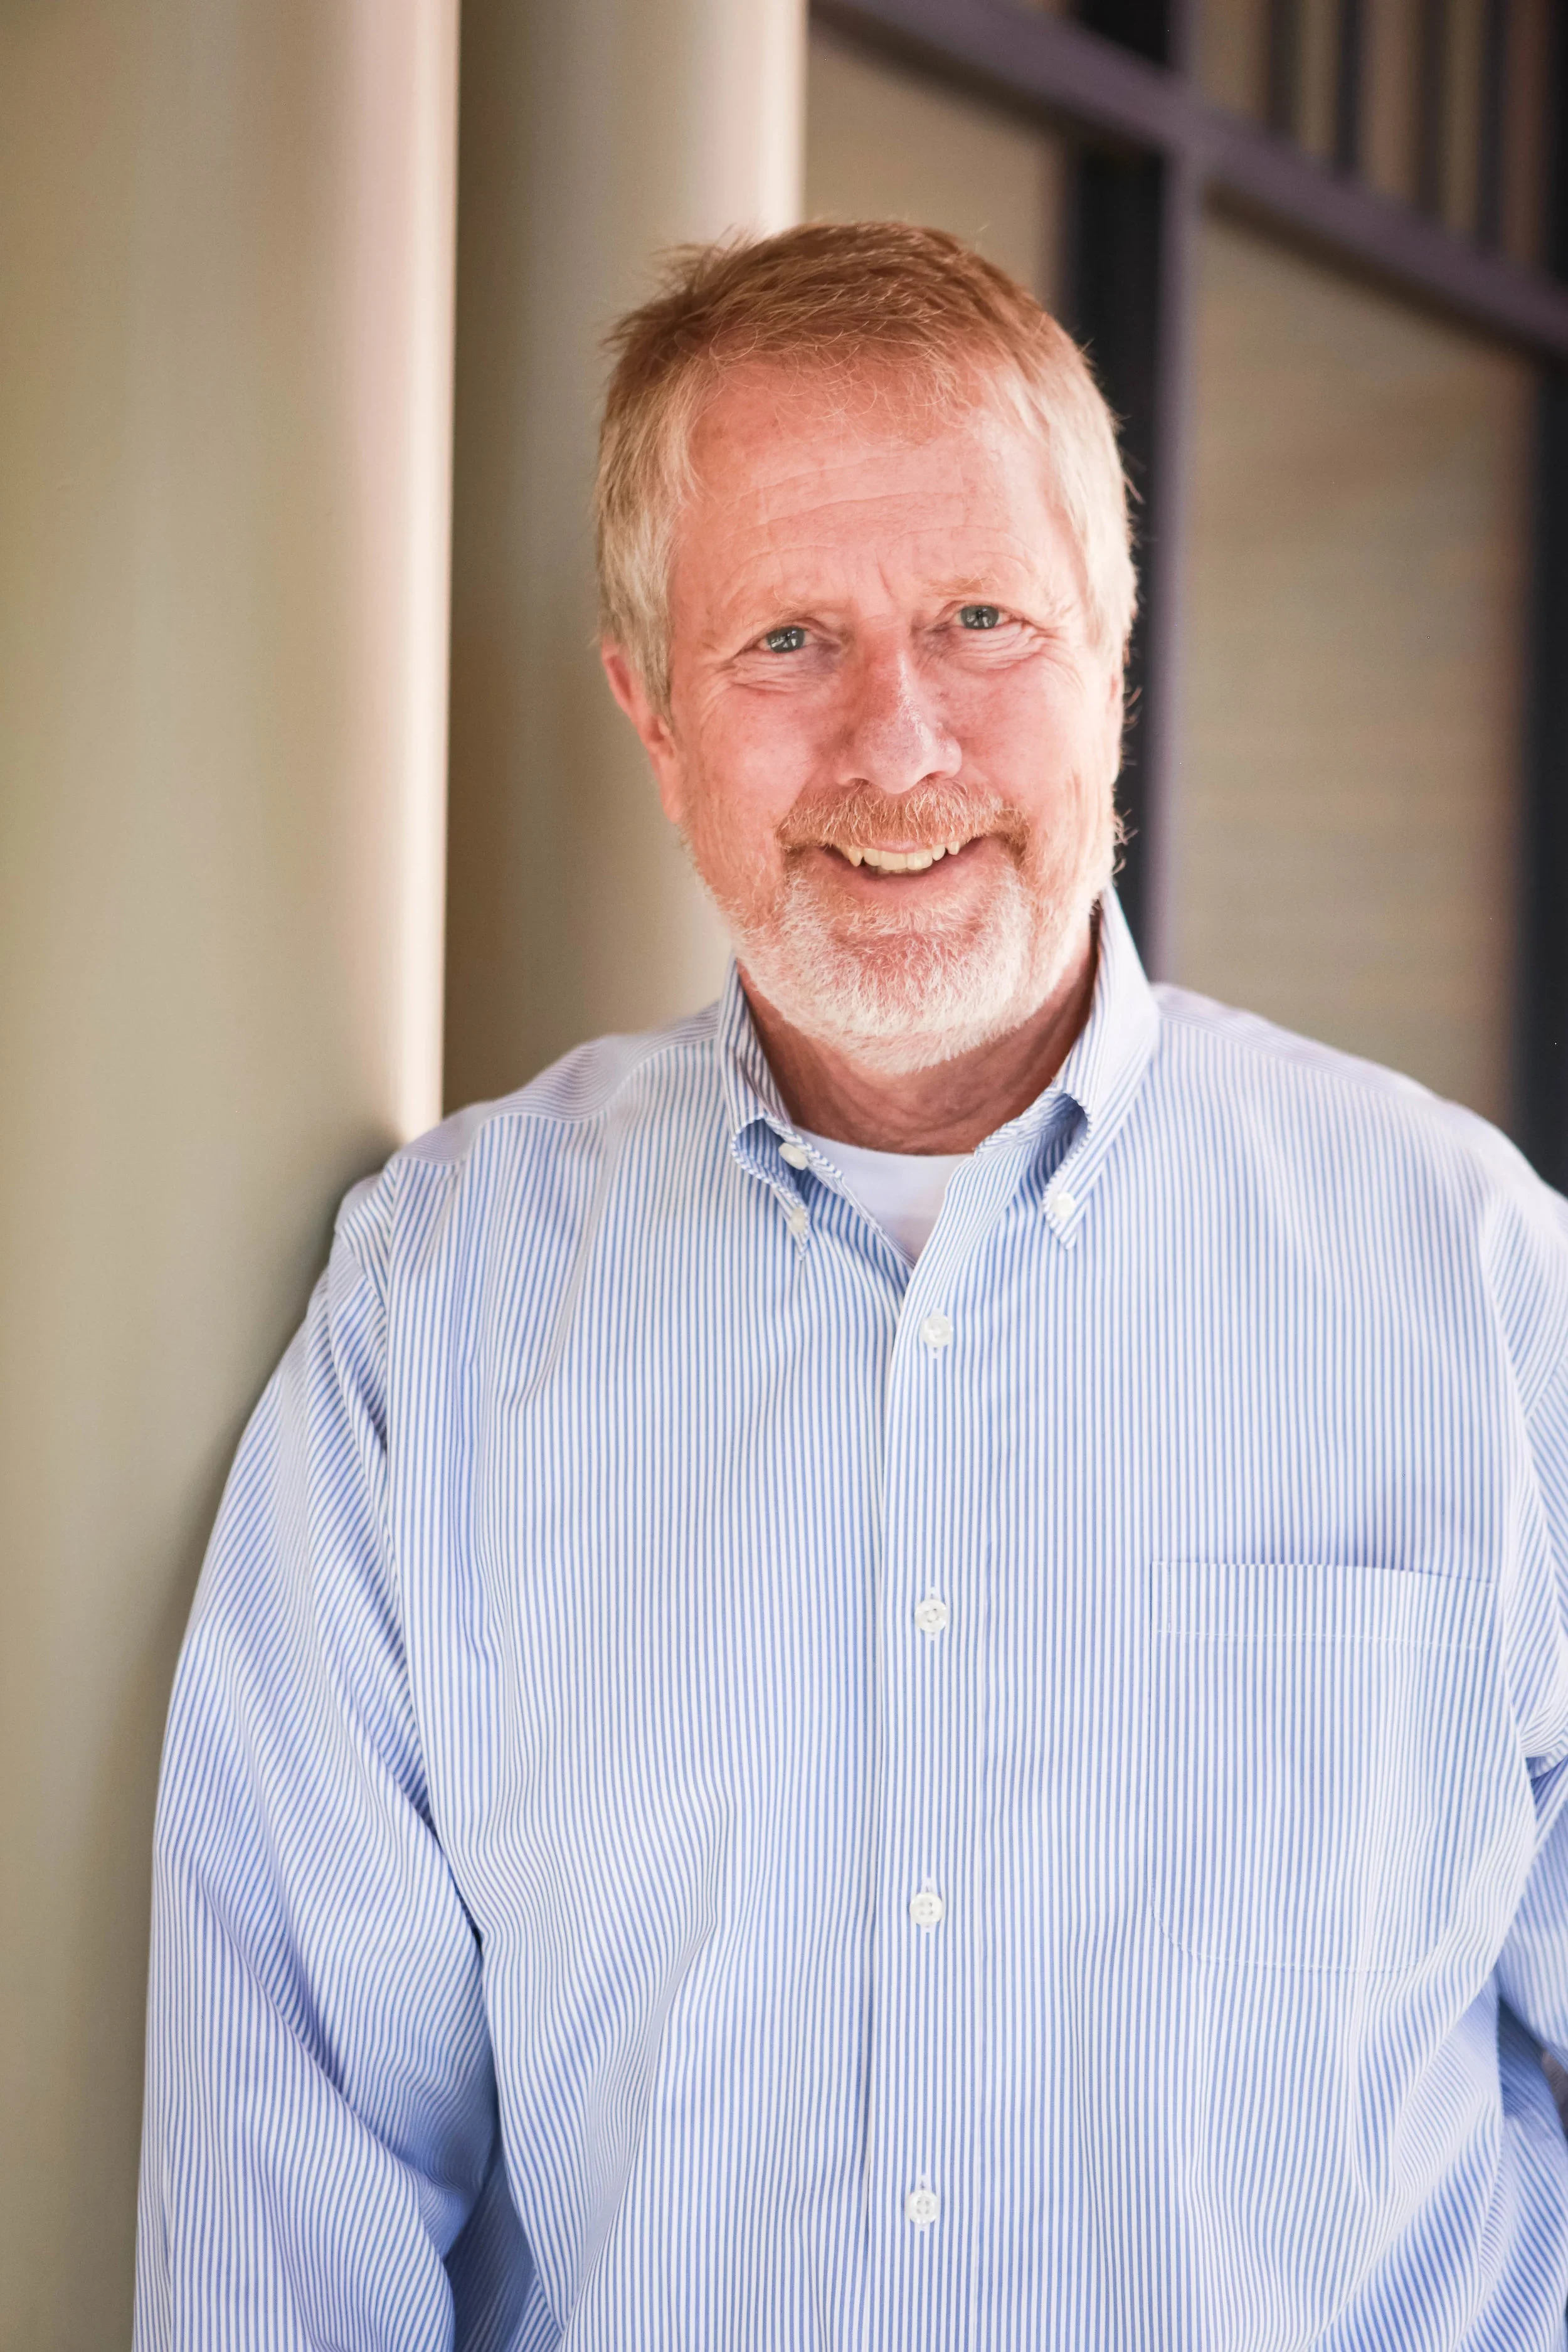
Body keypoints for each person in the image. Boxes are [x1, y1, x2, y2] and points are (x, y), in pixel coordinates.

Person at [135, 222, 1568, 2350]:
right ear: (650, 709)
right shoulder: (433, 1310)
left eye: (983, 619)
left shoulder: (1476, 1279)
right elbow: (289, 2178)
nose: (897, 745)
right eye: (787, 639)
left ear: (1113, 660)